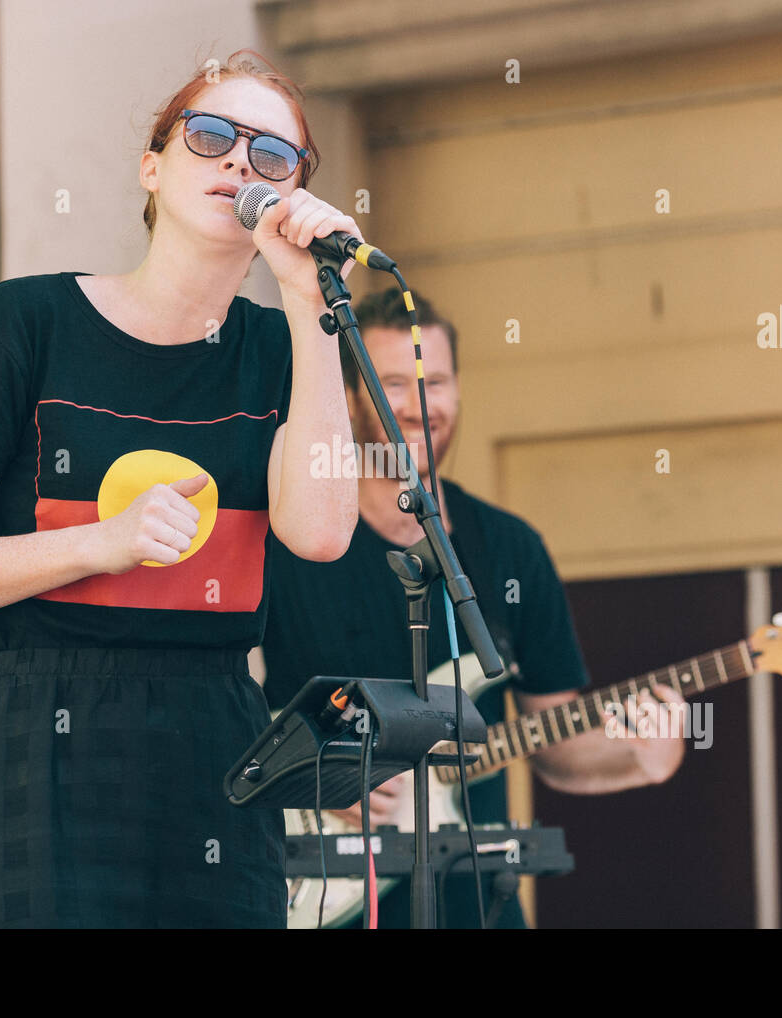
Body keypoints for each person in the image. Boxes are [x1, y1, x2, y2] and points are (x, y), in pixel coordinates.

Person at [0, 50, 360, 929]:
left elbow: (321, 534)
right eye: (211, 136)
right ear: (153, 165)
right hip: (41, 727)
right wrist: (103, 543)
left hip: (218, 730)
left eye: (272, 155)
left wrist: (309, 302)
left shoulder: (286, 348)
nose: (240, 162)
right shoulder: (28, 322)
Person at [258, 288, 687, 928]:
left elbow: (555, 739)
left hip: (475, 899)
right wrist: (304, 772)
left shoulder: (510, 547)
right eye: (392, 384)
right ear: (347, 399)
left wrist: (642, 755)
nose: (418, 405)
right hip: (322, 890)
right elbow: (217, 708)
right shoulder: (292, 540)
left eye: (435, 382)